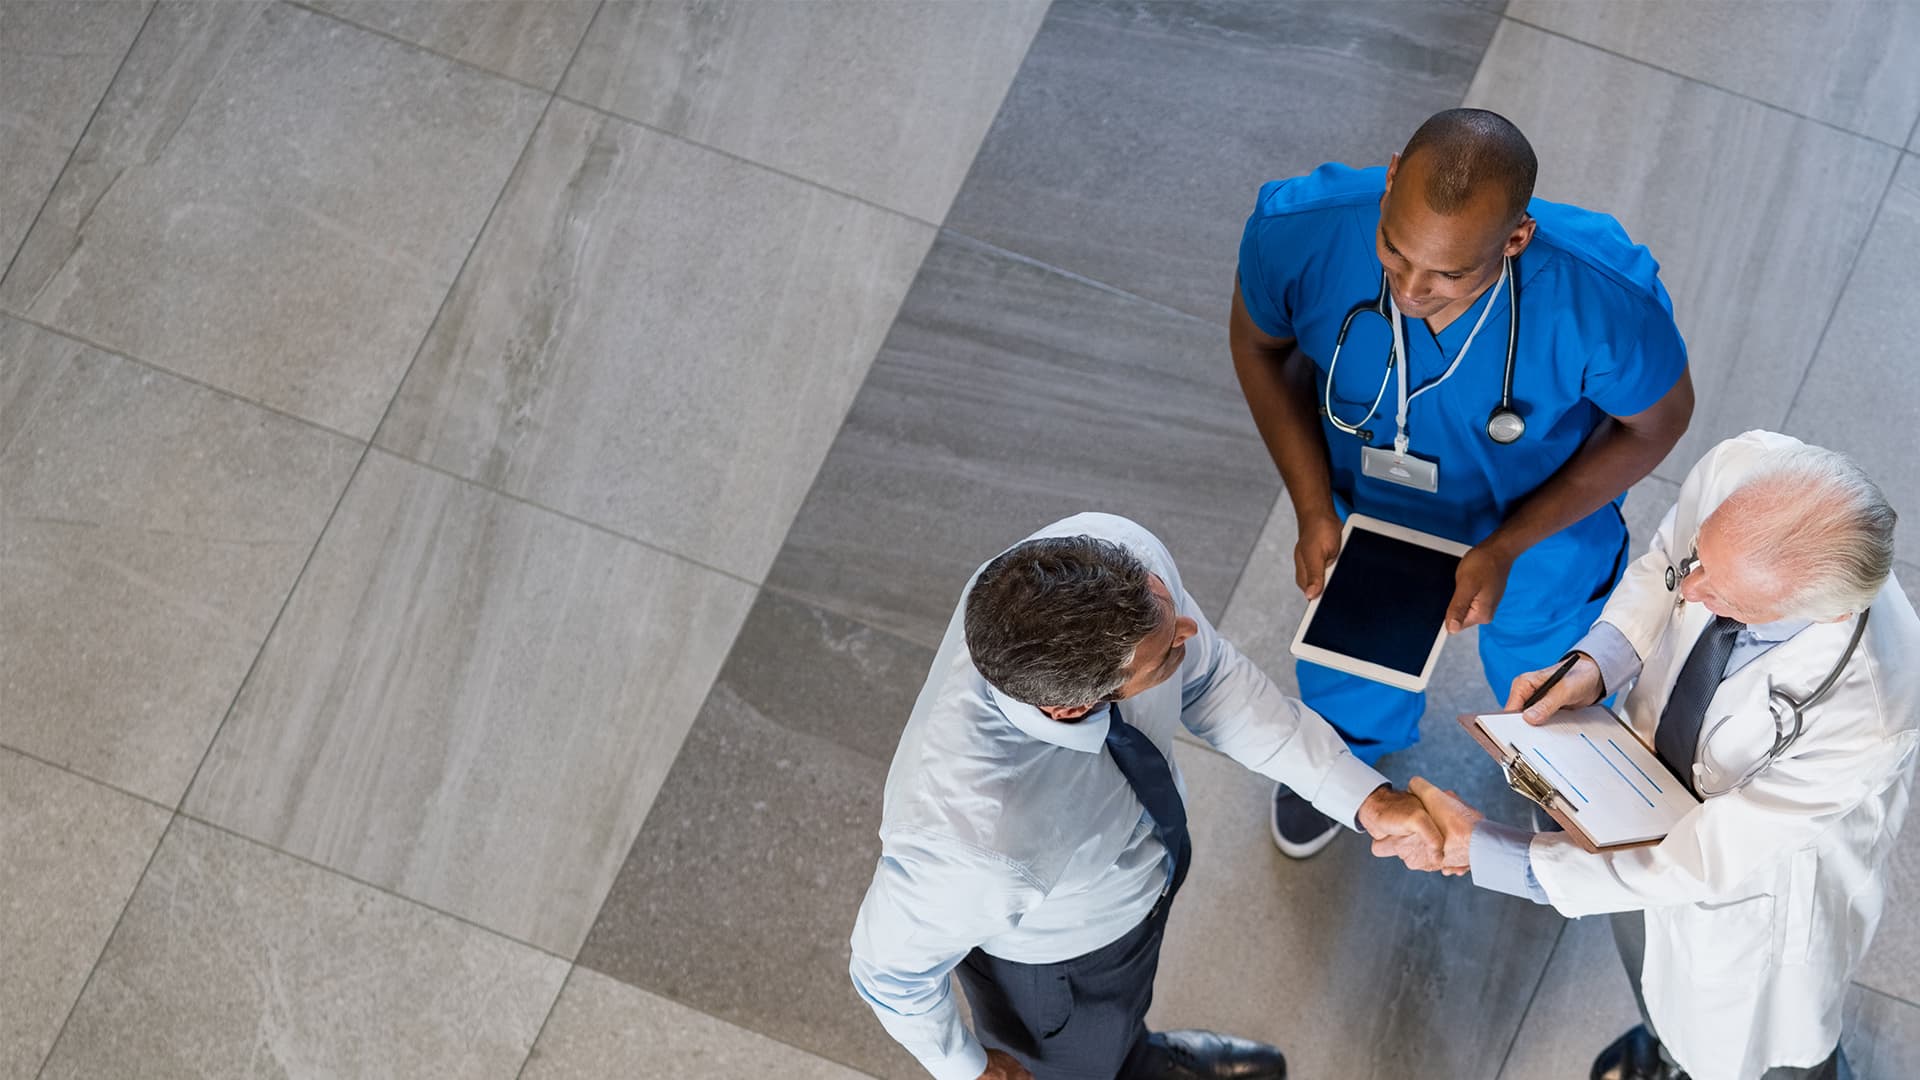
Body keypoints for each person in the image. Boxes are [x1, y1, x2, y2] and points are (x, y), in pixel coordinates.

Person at [1232, 108, 1695, 858]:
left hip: (1539, 527)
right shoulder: (1299, 230)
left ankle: (1555, 770)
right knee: (1351, 653)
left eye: (1449, 273)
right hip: (1368, 505)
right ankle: (1346, 758)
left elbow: (1659, 423)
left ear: (1516, 240)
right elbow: (1259, 347)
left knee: (1549, 671)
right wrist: (1313, 504)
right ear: (1388, 182)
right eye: (1393, 249)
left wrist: (1510, 544)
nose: (1412, 289)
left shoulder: (1604, 300)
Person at [849, 512, 1444, 1080]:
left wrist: (1364, 799)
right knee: (1081, 1062)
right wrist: (966, 1069)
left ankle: (1136, 1049)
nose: (1189, 629)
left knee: (1124, 1012)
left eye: (1171, 609)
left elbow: (1211, 680)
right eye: (1166, 651)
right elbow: (888, 971)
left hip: (1137, 873)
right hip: (1064, 961)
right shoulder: (969, 842)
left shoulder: (1113, 550)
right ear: (1073, 707)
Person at [1408, 431, 1918, 1080]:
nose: (1695, 590)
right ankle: (1662, 1048)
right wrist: (1597, 662)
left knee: (1762, 1045)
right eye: (1706, 559)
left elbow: (1703, 859)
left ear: (1825, 616)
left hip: (1753, 884)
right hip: (1642, 782)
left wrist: (1491, 851)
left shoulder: (1872, 715)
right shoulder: (1746, 466)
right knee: (1645, 945)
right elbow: (1665, 566)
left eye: (1725, 597)